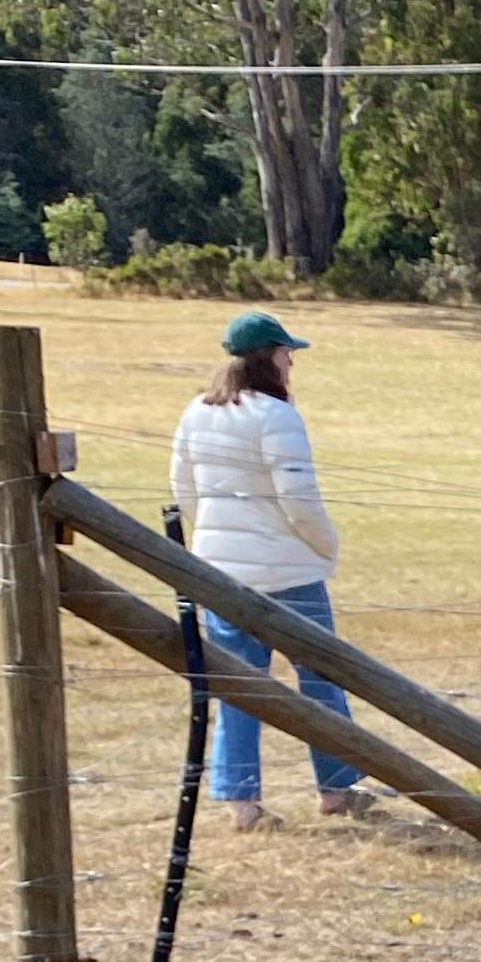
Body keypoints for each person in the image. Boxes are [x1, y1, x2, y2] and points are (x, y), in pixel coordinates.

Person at [169, 310, 364, 828]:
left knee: (239, 685)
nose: (291, 361)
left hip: (222, 576)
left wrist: (215, 542)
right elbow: (298, 500)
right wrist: (326, 547)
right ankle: (337, 788)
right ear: (270, 357)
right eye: (286, 352)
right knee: (321, 678)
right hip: (290, 572)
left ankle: (242, 804)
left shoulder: (196, 410)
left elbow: (183, 489)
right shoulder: (278, 416)